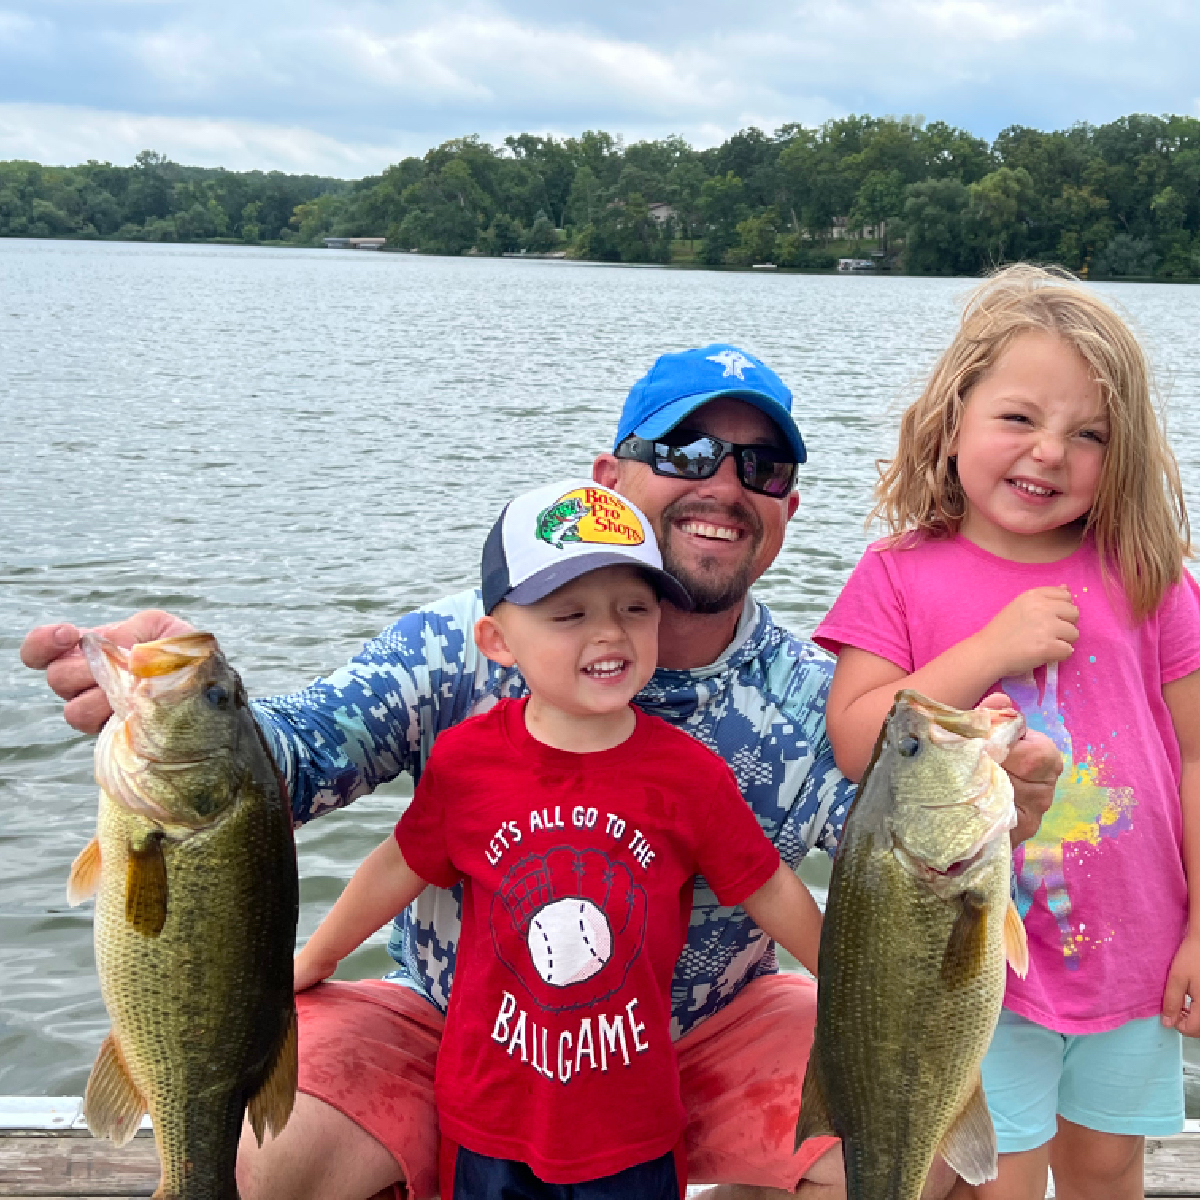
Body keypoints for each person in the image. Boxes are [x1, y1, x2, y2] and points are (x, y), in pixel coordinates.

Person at [21, 342, 1061, 1200]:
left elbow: (910, 876)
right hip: (460, 1029)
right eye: (687, 450)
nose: (724, 485)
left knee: (919, 1142)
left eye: (763, 467)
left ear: (789, 507)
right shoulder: (460, 645)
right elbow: (291, 763)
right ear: (607, 479)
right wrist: (186, 718)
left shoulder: (814, 699)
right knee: (269, 1158)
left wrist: (1005, 804)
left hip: (714, 1031)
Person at [293, 478, 826, 1200]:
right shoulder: (465, 761)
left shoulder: (690, 775)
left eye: (635, 609)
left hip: (635, 1125)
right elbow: (397, 867)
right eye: (569, 614)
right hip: (486, 1116)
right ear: (497, 641)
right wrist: (316, 959)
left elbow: (768, 888)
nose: (608, 634)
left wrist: (842, 984)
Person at [813, 266, 1200, 1200]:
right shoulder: (898, 573)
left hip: (1137, 949)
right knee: (1002, 1172)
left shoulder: (1148, 576)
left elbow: (1197, 754)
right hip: (965, 960)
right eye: (1018, 417)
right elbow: (860, 740)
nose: (1050, 452)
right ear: (952, 422)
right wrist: (990, 649)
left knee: (1108, 1163)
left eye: (1089, 434)